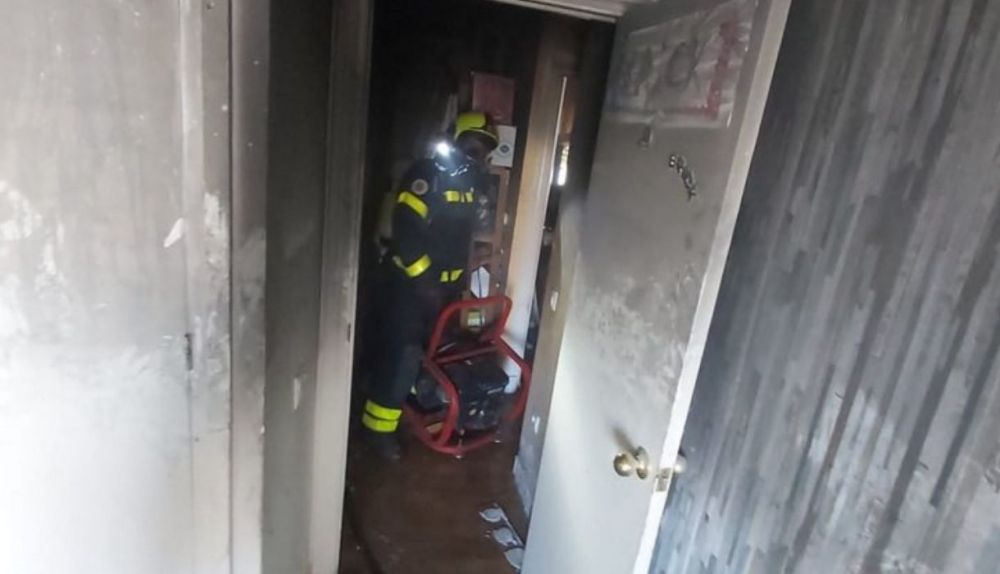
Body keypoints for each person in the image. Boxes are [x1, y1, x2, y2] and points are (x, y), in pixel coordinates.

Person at [363, 111, 499, 461]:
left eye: (485, 150)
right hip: (411, 288)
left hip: (446, 292)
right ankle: (378, 431)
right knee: (403, 356)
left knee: (432, 354)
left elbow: (461, 235)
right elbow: (406, 231)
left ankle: (415, 409)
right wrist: (424, 281)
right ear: (456, 142)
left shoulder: (471, 185)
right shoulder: (426, 175)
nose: (478, 155)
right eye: (473, 146)